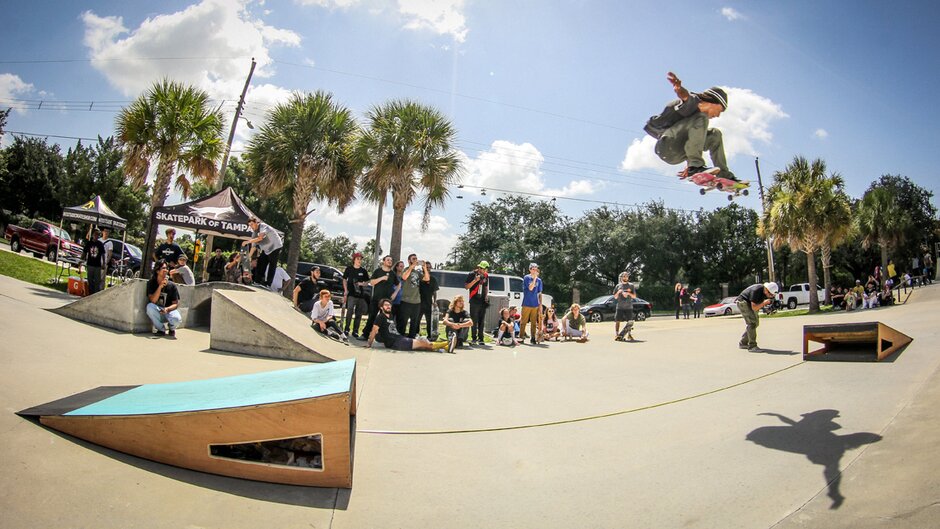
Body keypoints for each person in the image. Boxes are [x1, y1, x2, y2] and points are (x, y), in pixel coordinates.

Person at [645, 71, 737, 181]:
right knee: (701, 118)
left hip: (677, 149)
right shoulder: (695, 102)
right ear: (713, 102)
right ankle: (696, 166)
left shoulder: (697, 121)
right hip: (666, 146)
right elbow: (685, 96)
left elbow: (691, 139)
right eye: (719, 111)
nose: (717, 115)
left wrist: (689, 165)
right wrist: (679, 88)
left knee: (715, 134)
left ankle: (724, 175)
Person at [367, 298, 452, 353]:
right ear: (381, 308)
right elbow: (374, 330)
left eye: (389, 305)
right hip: (395, 343)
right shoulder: (380, 317)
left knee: (422, 346)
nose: (388, 306)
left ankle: (446, 347)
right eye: (386, 305)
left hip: (400, 338)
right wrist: (369, 344)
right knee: (422, 343)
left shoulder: (391, 316)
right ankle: (447, 343)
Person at [735, 282, 778, 351]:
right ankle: (752, 346)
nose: (770, 296)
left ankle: (743, 343)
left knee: (756, 324)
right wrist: (765, 303)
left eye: (772, 295)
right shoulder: (756, 291)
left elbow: (759, 305)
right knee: (752, 323)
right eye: (770, 294)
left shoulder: (766, 292)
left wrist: (769, 309)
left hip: (750, 303)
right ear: (766, 289)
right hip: (743, 302)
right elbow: (754, 307)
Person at [242, 217, 283, 287]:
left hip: (275, 246)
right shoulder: (254, 233)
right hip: (267, 250)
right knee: (261, 262)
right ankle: (257, 281)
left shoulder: (263, 226)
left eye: (252, 224)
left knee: (272, 264)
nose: (251, 227)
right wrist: (249, 257)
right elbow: (253, 247)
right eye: (250, 225)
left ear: (256, 223)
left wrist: (247, 241)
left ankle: (268, 283)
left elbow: (260, 238)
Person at [364, 255, 398, 338]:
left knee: (385, 319)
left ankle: (383, 337)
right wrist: (382, 278)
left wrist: (395, 293)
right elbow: (371, 283)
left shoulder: (393, 273)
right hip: (376, 299)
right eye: (388, 260)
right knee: (371, 317)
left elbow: (398, 284)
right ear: (384, 261)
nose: (390, 261)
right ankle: (365, 335)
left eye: (391, 260)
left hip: (386, 301)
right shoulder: (378, 271)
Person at [146, 259, 181, 337]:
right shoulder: (151, 283)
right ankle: (161, 330)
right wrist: (160, 287)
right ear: (157, 271)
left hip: (168, 311)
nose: (166, 270)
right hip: (158, 311)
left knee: (177, 319)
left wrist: (167, 309)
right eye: (163, 268)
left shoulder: (172, 285)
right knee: (149, 307)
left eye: (167, 268)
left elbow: (175, 304)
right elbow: (153, 300)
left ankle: (172, 329)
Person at [342, 253, 371, 339]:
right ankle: (346, 329)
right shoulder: (349, 269)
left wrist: (361, 283)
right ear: (354, 259)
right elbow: (344, 279)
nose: (359, 260)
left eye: (360, 259)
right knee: (350, 311)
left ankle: (355, 331)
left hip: (361, 296)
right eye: (358, 259)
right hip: (351, 294)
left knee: (359, 314)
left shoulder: (363, 271)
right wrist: (345, 290)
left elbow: (368, 282)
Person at [465, 261, 490, 345]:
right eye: (480, 268)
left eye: (483, 269)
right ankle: (474, 338)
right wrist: (475, 280)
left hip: (482, 300)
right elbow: (466, 287)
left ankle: (481, 338)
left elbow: (486, 286)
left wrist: (486, 296)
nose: (481, 270)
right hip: (474, 300)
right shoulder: (472, 274)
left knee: (481, 320)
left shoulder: (486, 275)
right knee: (474, 320)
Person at [398, 254, 424, 338]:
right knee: (403, 321)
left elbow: (427, 279)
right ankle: (400, 338)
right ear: (409, 261)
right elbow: (404, 277)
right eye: (414, 259)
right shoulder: (405, 270)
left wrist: (425, 268)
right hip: (406, 301)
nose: (416, 260)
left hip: (416, 301)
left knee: (414, 322)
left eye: (416, 258)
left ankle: (412, 338)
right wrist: (411, 267)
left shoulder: (417, 273)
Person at [519, 263, 544, 344]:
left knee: (534, 322)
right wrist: (535, 278)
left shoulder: (539, 280)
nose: (535, 270)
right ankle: (521, 337)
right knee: (524, 321)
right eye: (533, 269)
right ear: (530, 269)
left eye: (536, 269)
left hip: (535, 304)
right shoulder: (527, 278)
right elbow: (530, 288)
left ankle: (533, 337)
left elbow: (539, 293)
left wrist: (540, 305)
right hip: (526, 303)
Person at [80, 228, 106, 295]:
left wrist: (104, 264)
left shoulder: (100, 244)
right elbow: (84, 252)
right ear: (93, 235)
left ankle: (96, 293)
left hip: (97, 265)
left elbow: (103, 254)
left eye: (98, 235)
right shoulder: (89, 243)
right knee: (90, 279)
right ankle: (90, 292)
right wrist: (81, 259)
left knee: (97, 280)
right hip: (90, 264)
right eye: (95, 234)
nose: (96, 236)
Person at [613, 271, 637, 341]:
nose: (626, 277)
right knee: (617, 321)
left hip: (629, 306)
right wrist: (618, 292)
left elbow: (634, 296)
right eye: (624, 276)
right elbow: (615, 297)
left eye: (627, 276)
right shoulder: (618, 286)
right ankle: (617, 334)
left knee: (629, 322)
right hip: (620, 306)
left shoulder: (631, 285)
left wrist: (628, 294)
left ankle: (629, 335)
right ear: (622, 277)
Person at [419, 260, 439, 338]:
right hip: (419, 302)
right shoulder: (419, 277)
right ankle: (416, 334)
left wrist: (435, 301)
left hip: (428, 302)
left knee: (429, 321)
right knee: (417, 320)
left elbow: (434, 291)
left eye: (429, 267)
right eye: (426, 267)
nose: (427, 268)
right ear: (422, 268)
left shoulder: (433, 279)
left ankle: (430, 336)